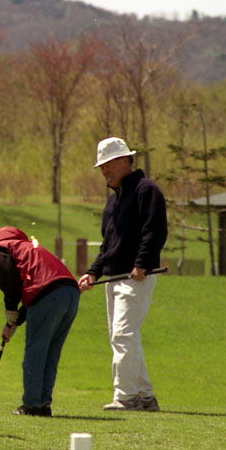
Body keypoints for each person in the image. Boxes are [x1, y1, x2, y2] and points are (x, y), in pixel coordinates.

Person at [77, 137, 168, 412]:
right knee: (126, 336)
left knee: (123, 335)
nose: (104, 170)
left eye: (108, 164)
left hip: (136, 277)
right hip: (114, 279)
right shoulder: (112, 202)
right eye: (101, 166)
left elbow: (155, 230)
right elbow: (108, 246)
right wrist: (93, 273)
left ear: (124, 161)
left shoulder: (146, 190)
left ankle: (126, 397)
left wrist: (141, 263)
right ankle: (145, 396)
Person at [0, 227, 80, 416]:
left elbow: (12, 287)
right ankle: (43, 405)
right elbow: (29, 294)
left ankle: (32, 405)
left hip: (47, 293)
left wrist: (10, 312)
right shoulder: (17, 246)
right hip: (70, 293)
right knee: (50, 354)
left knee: (35, 354)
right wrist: (13, 324)